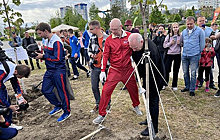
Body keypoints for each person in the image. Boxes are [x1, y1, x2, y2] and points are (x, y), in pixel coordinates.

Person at [92, 18, 142, 124]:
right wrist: (102, 70)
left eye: (114, 29)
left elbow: (137, 45)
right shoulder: (109, 39)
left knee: (133, 89)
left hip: (128, 69)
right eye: (111, 29)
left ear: (120, 27)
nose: (112, 31)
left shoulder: (129, 36)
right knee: (106, 91)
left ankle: (136, 105)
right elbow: (105, 55)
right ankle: (101, 114)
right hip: (114, 70)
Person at [128, 33, 165, 136]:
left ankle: (153, 127)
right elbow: (138, 63)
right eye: (132, 48)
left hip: (155, 78)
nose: (133, 50)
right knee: (147, 100)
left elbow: (151, 70)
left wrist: (144, 87)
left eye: (135, 48)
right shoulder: (138, 46)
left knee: (153, 101)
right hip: (146, 77)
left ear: (141, 42)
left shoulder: (150, 51)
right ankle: (149, 118)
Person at [35, 22, 71, 122]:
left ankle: (67, 111)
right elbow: (47, 54)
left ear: (46, 31)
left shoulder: (57, 42)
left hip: (58, 70)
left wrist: (44, 56)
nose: (39, 36)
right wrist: (40, 54)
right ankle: (58, 105)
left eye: (40, 33)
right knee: (45, 90)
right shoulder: (46, 40)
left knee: (62, 91)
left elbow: (59, 58)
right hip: (50, 70)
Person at [0, 61, 30, 130]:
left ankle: (8, 124)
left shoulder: (13, 68)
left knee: (6, 100)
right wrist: (9, 106)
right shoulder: (2, 71)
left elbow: (15, 84)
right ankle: (5, 125)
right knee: (3, 105)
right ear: (16, 72)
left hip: (1, 85)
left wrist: (20, 99)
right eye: (20, 77)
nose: (20, 78)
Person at [87, 20, 109, 113]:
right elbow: (89, 50)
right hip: (95, 66)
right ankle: (98, 104)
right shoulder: (92, 39)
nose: (89, 31)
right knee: (94, 87)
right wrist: (91, 55)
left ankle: (107, 106)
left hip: (106, 67)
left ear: (96, 28)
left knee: (106, 88)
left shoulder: (108, 38)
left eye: (91, 29)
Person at [180, 16, 205, 96]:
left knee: (193, 73)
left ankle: (192, 89)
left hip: (194, 55)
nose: (189, 26)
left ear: (194, 23)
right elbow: (181, 42)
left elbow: (202, 44)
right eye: (187, 24)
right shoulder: (184, 31)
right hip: (185, 55)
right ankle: (187, 86)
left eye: (191, 24)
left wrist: (198, 52)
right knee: (185, 72)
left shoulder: (200, 31)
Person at [197, 16, 217, 90]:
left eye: (203, 21)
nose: (202, 22)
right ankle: (200, 82)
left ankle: (211, 83)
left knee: (209, 68)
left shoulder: (209, 29)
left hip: (208, 53)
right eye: (200, 21)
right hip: (200, 52)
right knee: (200, 68)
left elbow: (213, 37)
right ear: (197, 22)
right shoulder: (196, 30)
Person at [163, 23, 182, 91]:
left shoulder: (180, 36)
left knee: (176, 70)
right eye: (174, 27)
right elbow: (164, 45)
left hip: (177, 54)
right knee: (167, 69)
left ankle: (174, 85)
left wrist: (180, 43)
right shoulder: (169, 36)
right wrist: (171, 43)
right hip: (169, 54)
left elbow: (183, 44)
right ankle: (165, 83)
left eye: (176, 27)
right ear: (172, 29)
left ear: (178, 28)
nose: (175, 29)